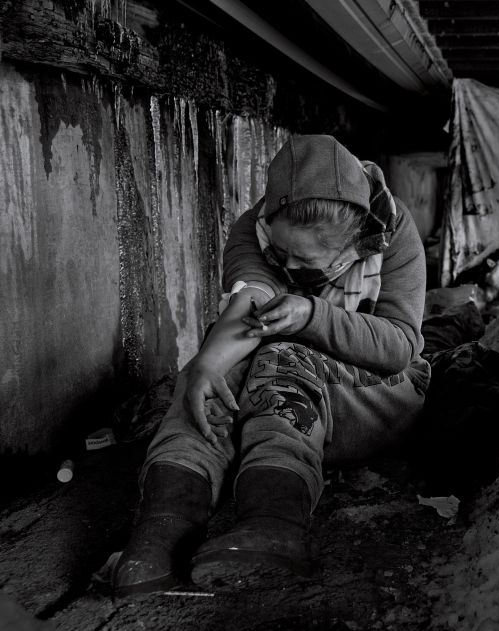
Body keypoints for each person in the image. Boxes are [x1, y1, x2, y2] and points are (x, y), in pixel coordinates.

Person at [113, 135, 429, 594]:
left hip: (373, 396)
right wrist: (203, 369)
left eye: (304, 258)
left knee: (282, 356)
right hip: (276, 380)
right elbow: (249, 304)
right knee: (212, 371)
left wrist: (310, 314)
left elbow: (399, 348)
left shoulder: (394, 234)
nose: (288, 264)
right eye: (281, 254)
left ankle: (273, 522)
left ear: (349, 243)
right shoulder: (255, 227)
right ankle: (163, 525)